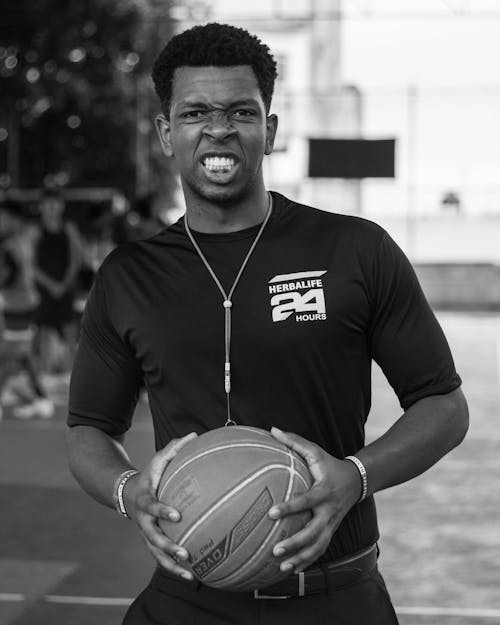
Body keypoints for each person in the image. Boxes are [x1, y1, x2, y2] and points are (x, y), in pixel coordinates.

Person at [66, 23, 469, 625]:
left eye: (240, 112)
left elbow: (444, 405)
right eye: (196, 112)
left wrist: (354, 477)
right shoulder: (129, 276)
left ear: (270, 129)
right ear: (165, 132)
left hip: (336, 598)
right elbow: (88, 431)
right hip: (187, 599)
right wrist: (130, 492)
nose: (219, 129)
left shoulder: (355, 249)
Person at [0, 199, 55, 419]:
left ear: (13, 218)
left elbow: (9, 275)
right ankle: (41, 399)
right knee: (22, 353)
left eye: (2, 217)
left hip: (18, 304)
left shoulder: (11, 244)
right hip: (24, 302)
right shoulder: (24, 240)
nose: (0, 222)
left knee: (9, 353)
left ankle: (40, 399)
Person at [34, 190, 81, 375]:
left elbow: (76, 260)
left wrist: (63, 284)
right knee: (43, 332)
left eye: (55, 203)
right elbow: (30, 263)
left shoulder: (69, 228)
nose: (52, 208)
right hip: (43, 289)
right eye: (48, 203)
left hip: (64, 288)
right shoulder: (35, 230)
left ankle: (71, 376)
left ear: (62, 206)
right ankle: (44, 375)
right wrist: (50, 285)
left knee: (70, 331)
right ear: (41, 207)